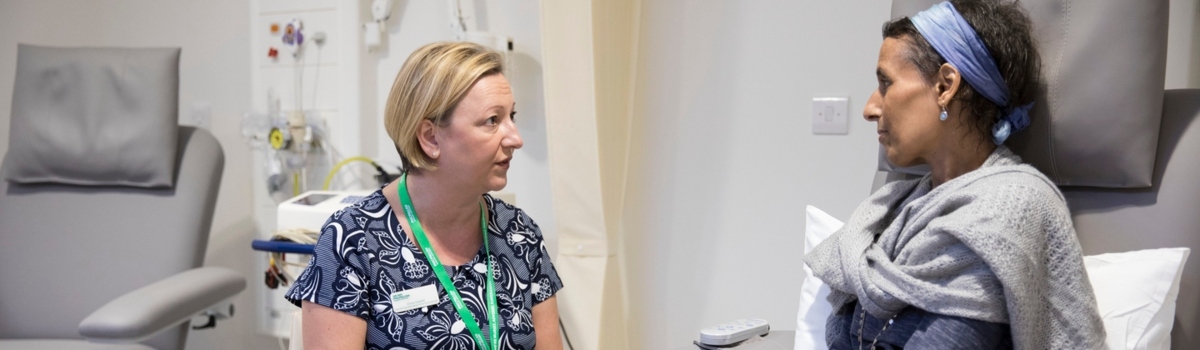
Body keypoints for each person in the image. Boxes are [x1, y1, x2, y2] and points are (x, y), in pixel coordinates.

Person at [804, 1, 1105, 349]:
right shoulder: (894, 212)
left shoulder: (1011, 208)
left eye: (886, 82)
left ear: (945, 86)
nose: (870, 109)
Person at [285, 41, 564, 350]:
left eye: (512, 116)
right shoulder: (352, 242)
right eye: (492, 120)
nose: (516, 138)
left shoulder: (520, 235)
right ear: (430, 137)